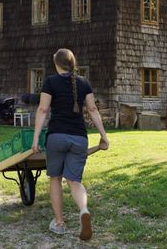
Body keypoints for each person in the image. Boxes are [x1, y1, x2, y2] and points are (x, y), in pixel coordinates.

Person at [31, 48, 109, 241]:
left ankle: (59, 223)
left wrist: (35, 139)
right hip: (79, 138)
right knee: (75, 181)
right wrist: (103, 136)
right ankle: (83, 210)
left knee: (55, 178)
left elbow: (42, 109)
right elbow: (92, 109)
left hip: (57, 136)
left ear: (56, 63)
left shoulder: (50, 81)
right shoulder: (84, 83)